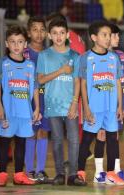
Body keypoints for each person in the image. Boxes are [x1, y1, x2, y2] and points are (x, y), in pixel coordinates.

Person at [76, 21, 124, 186]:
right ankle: (80, 173)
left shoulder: (114, 57)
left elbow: (118, 82)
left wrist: (119, 105)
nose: (108, 38)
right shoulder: (85, 58)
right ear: (93, 37)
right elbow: (82, 84)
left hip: (110, 108)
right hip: (94, 109)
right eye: (104, 35)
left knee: (112, 140)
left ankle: (111, 173)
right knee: (87, 140)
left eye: (109, 35)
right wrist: (86, 108)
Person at [37, 17, 86, 186]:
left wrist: (74, 103)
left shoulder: (75, 56)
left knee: (73, 139)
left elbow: (77, 81)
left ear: (67, 35)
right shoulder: (44, 55)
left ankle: (73, 174)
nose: (58, 36)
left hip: (70, 105)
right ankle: (59, 173)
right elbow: (41, 80)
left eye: (62, 33)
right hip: (52, 104)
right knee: (57, 139)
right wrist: (61, 70)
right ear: (49, 35)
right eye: (55, 33)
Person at [0, 25, 40, 186]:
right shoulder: (3, 63)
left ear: (25, 44)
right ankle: (2, 175)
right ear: (6, 44)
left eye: (20, 41)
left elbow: (35, 87)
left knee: (21, 143)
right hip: (8, 111)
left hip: (24, 112)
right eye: (12, 42)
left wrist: (37, 108)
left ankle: (19, 175)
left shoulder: (30, 65)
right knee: (4, 142)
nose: (16, 45)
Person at [93, 23, 124, 184]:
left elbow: (123, 81)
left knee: (115, 136)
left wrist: (123, 104)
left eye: (116, 35)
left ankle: (116, 170)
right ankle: (98, 172)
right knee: (101, 135)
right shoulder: (95, 56)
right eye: (114, 35)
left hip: (116, 104)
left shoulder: (120, 56)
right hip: (101, 103)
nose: (116, 38)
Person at [23, 16, 52, 184]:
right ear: (28, 33)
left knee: (43, 131)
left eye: (42, 30)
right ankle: (29, 170)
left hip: (46, 98)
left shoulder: (49, 54)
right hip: (29, 99)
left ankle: (40, 170)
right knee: (31, 132)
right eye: (35, 30)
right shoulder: (25, 54)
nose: (39, 33)